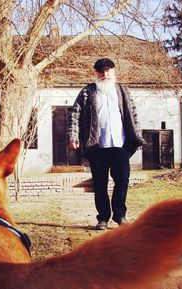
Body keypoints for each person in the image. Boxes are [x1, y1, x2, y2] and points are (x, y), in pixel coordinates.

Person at [67, 57, 145, 230]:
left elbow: (133, 115)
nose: (105, 74)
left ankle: (120, 216)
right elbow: (74, 115)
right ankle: (103, 218)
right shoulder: (88, 91)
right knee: (100, 184)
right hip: (97, 146)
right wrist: (73, 137)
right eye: (101, 71)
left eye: (108, 70)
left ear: (113, 71)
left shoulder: (122, 90)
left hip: (121, 144)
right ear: (96, 73)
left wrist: (136, 137)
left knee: (122, 180)